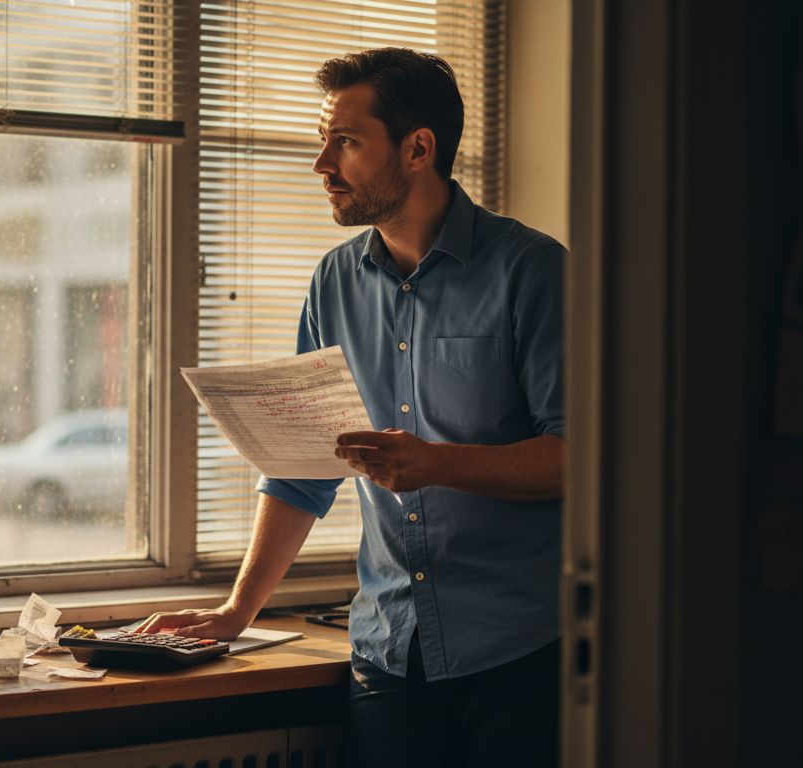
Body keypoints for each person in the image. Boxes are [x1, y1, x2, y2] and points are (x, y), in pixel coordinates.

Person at [137, 47, 566, 767]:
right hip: (388, 658)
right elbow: (302, 471)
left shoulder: (532, 272)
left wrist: (435, 464)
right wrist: (235, 612)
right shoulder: (333, 283)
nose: (322, 165)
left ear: (418, 148)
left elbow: (576, 457)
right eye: (322, 140)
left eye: (346, 142)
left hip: (518, 655)